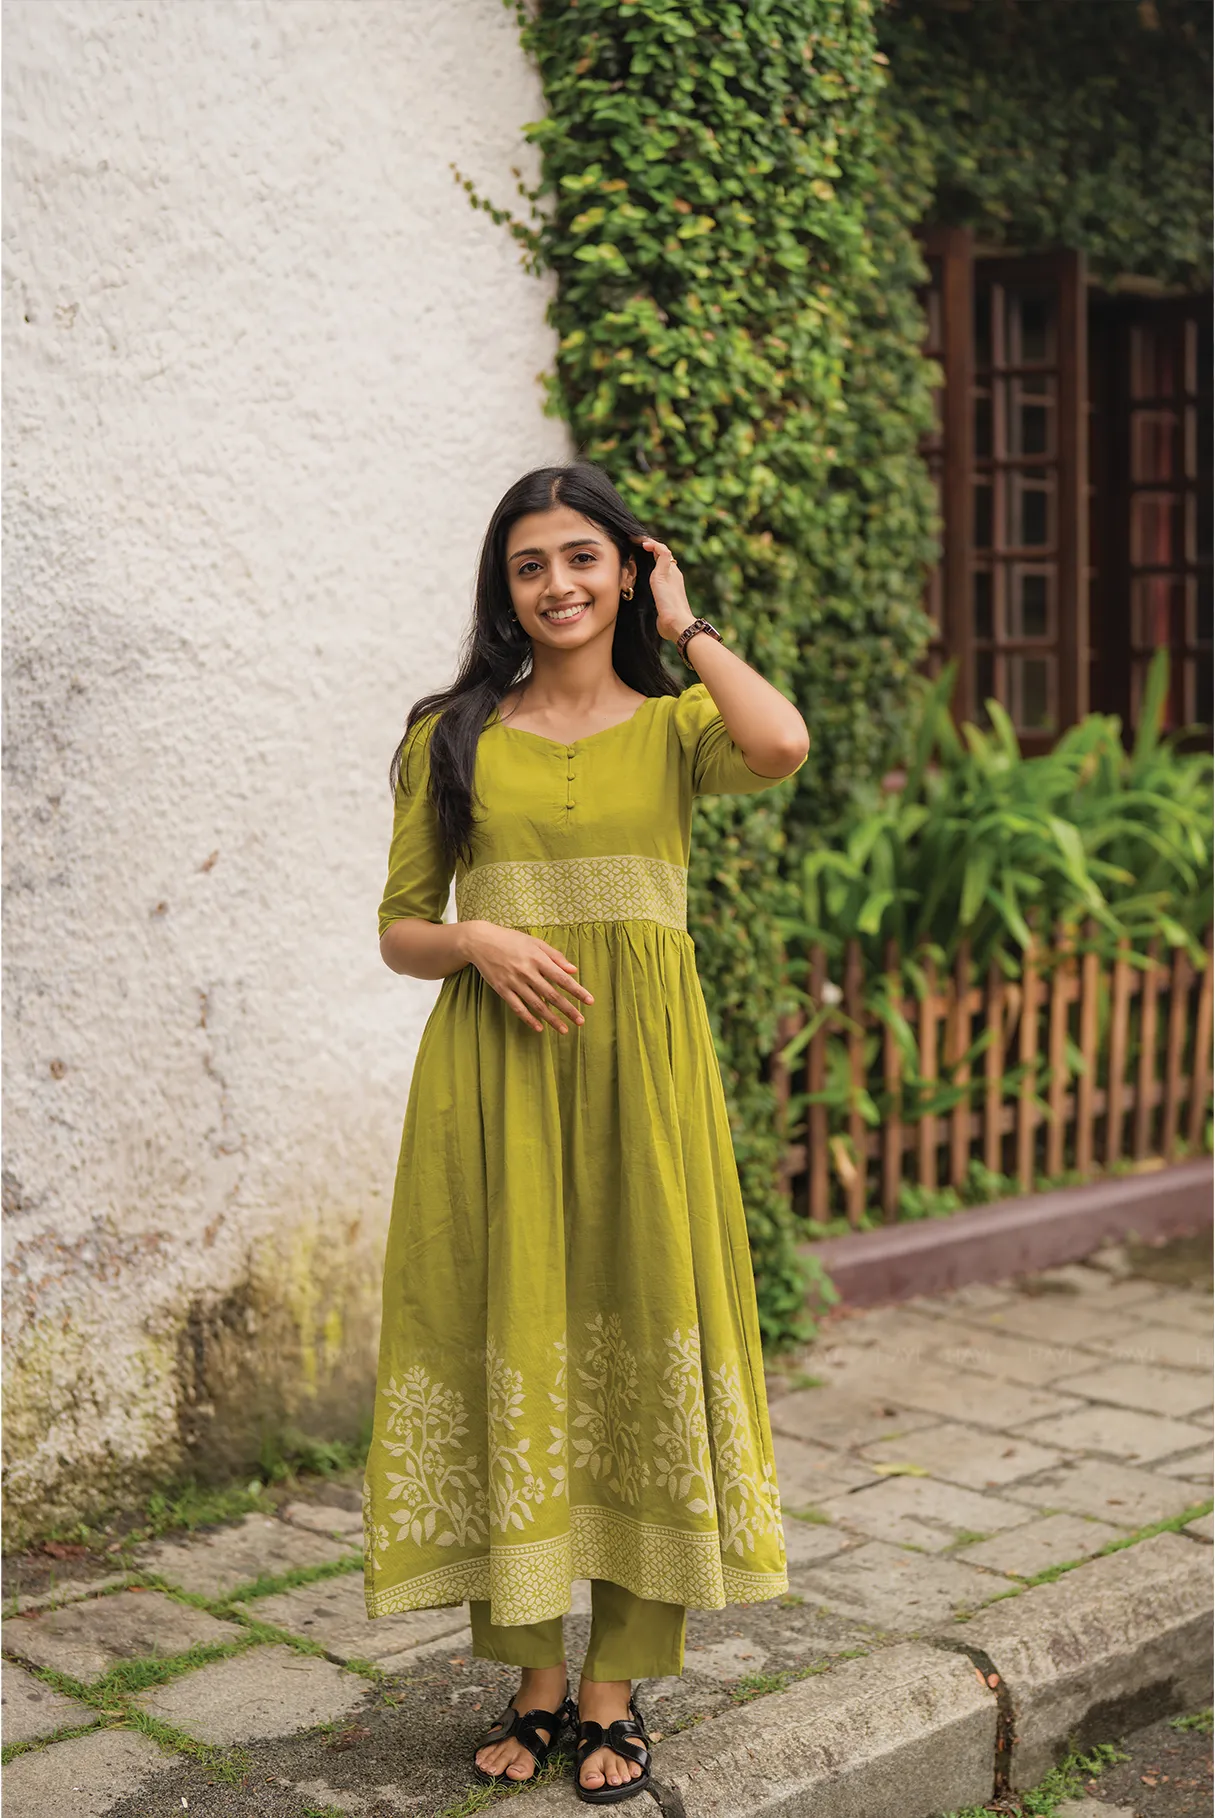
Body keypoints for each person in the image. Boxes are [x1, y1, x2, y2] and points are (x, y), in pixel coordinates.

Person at [364, 462, 809, 1804]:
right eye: (527, 565)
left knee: (635, 1348)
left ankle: (613, 1688)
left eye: (581, 557)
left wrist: (688, 624)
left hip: (642, 1085)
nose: (555, 583)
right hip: (492, 1080)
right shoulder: (451, 732)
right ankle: (531, 1679)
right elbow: (397, 927)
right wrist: (478, 935)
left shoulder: (677, 726)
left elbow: (782, 744)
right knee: (504, 1334)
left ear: (624, 569)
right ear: (502, 591)